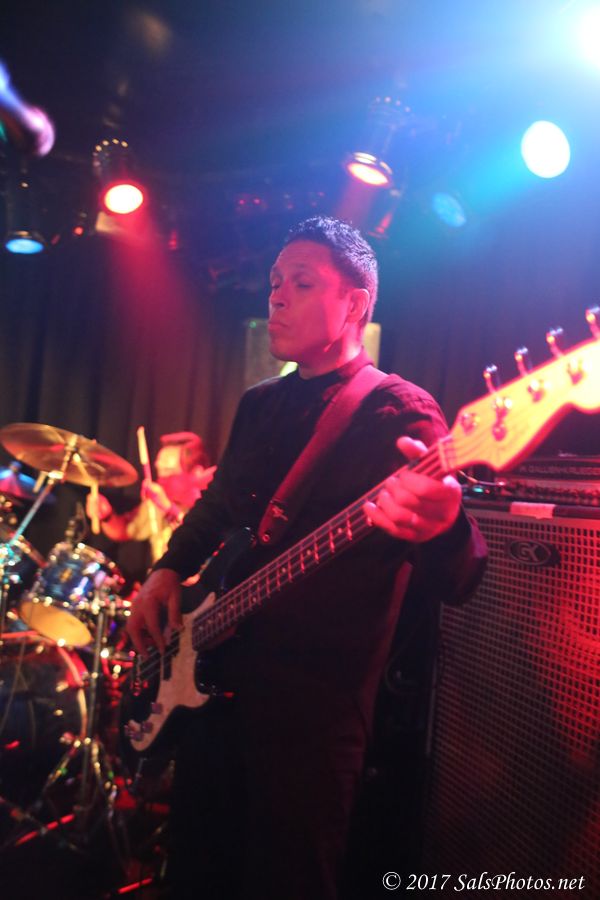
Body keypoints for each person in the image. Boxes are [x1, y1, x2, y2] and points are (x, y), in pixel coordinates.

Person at [127, 217, 487, 900]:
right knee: (196, 876)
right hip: (214, 693)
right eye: (273, 282)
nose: (276, 296)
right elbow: (218, 507)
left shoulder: (400, 412)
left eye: (301, 282)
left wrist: (445, 525)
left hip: (310, 722)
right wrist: (167, 569)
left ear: (355, 303)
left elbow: (463, 576)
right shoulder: (260, 403)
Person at [86, 431, 215, 564]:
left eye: (168, 472)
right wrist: (107, 516)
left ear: (196, 473)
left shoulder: (211, 506)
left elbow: (201, 540)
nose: (161, 482)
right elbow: (126, 530)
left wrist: (169, 509)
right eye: (160, 472)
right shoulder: (157, 504)